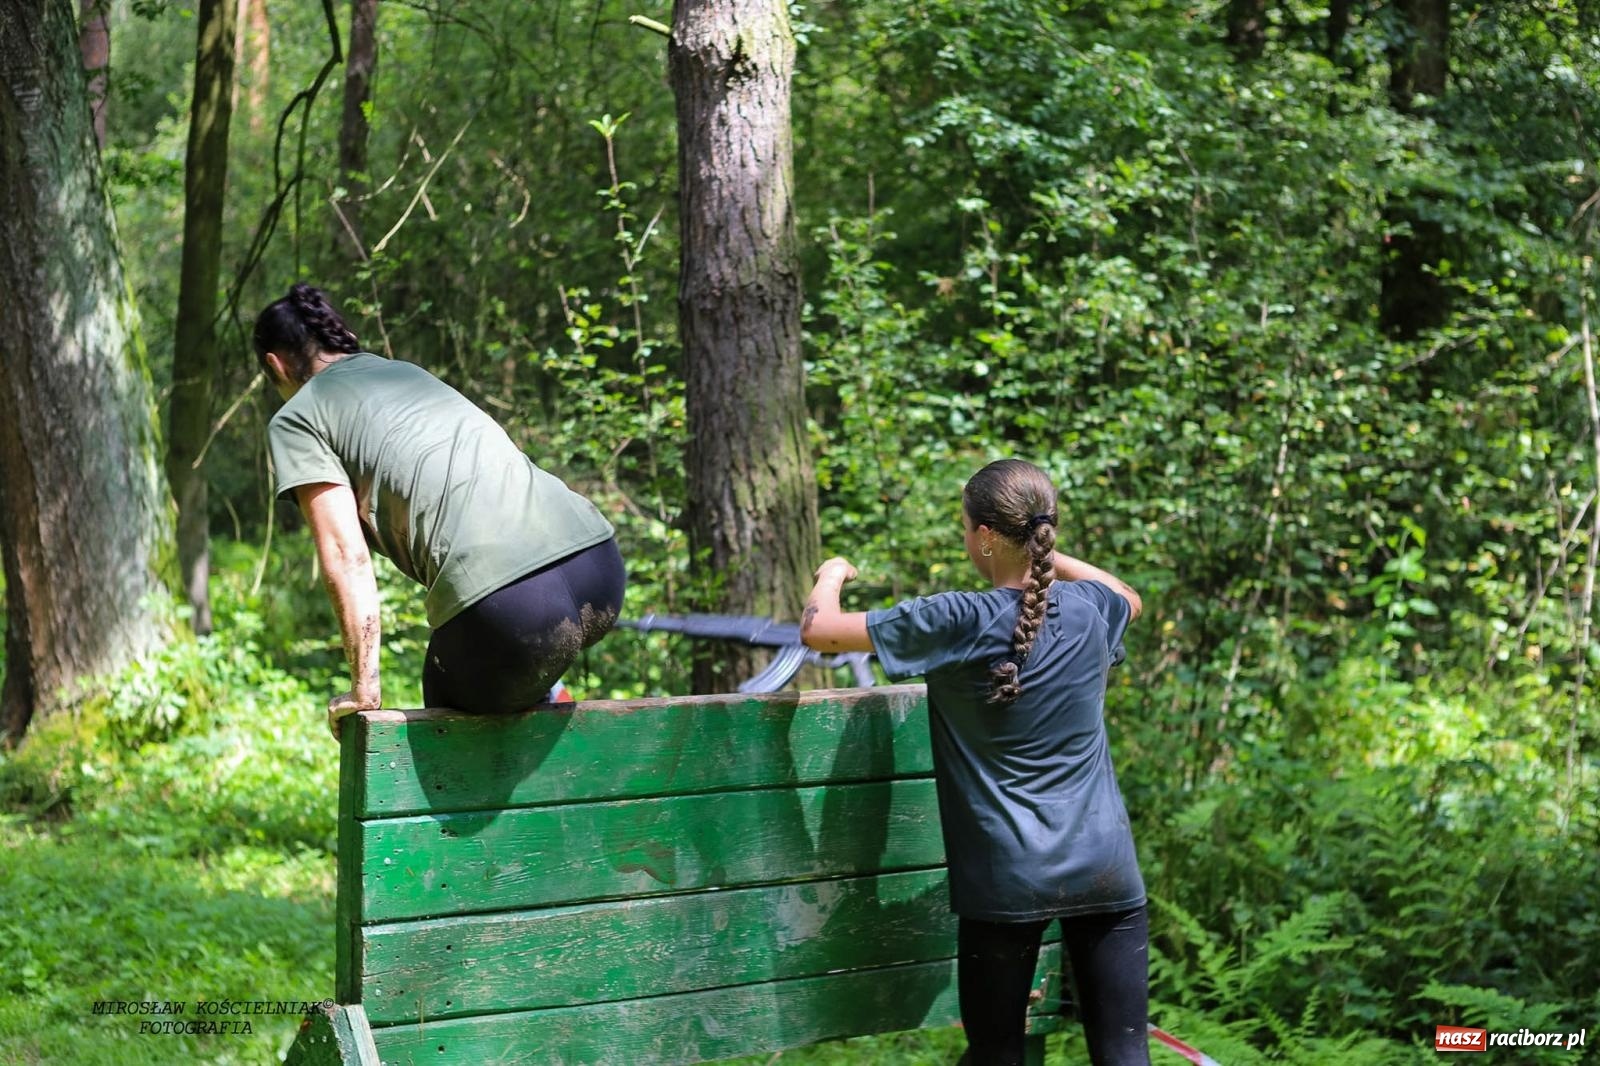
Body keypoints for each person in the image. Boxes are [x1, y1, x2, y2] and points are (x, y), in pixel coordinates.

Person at [800, 458, 1148, 1066]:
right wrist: (1046, 551)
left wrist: (831, 573)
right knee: (1125, 1058)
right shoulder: (1091, 608)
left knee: (996, 1055)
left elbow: (820, 632)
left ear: (985, 537)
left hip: (1008, 879)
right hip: (1108, 867)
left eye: (967, 527)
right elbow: (1129, 595)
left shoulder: (957, 618)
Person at [255, 283, 624, 736]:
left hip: (511, 605)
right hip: (598, 564)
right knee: (509, 673)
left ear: (275, 364)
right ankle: (551, 700)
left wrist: (362, 689)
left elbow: (345, 556)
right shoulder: (402, 373)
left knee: (447, 745)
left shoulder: (298, 417)